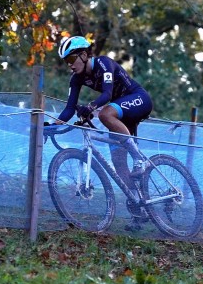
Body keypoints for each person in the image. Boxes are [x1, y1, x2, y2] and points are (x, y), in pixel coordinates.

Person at [48, 35, 154, 201]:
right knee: (118, 161)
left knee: (105, 114)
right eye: (65, 61)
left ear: (83, 55)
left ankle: (139, 158)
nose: (69, 64)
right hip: (121, 113)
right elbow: (69, 109)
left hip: (139, 98)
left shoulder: (104, 63)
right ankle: (139, 206)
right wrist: (52, 126)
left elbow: (107, 94)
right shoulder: (76, 78)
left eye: (70, 58)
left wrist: (90, 107)